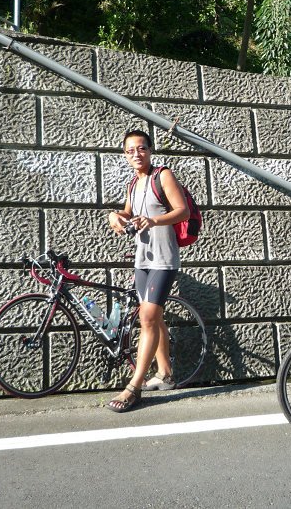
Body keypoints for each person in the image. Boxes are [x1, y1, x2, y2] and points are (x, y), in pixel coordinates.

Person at [106, 129, 190, 412]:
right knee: (153, 319)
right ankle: (165, 373)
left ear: (150, 150)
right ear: (125, 155)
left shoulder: (162, 175)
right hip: (142, 260)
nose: (136, 154)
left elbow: (182, 211)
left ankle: (134, 386)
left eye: (141, 148)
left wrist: (153, 221)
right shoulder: (134, 184)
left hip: (163, 260)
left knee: (148, 318)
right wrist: (115, 216)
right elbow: (128, 212)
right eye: (130, 151)